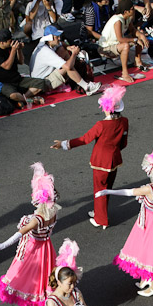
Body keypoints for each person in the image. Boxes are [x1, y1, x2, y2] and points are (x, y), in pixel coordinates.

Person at [96, 130, 153, 297]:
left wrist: (108, 192)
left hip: (151, 221)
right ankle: (147, 278)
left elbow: (128, 192)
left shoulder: (150, 189)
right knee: (151, 249)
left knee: (152, 251)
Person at [0, 162, 60, 306]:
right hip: (46, 248)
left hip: (34, 251)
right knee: (39, 281)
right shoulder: (53, 210)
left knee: (34, 282)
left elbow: (18, 234)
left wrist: (2, 245)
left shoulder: (37, 218)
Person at [51, 84, 128, 229]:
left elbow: (84, 139)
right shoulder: (124, 122)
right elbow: (124, 143)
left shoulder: (101, 125)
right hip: (115, 160)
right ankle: (99, 213)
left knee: (99, 190)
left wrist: (63, 144)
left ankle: (101, 219)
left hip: (100, 161)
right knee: (107, 189)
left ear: (106, 108)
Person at [30, 24, 101, 95]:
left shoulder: (48, 44)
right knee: (67, 66)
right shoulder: (45, 51)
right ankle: (87, 87)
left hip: (44, 76)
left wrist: (69, 47)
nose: (59, 38)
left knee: (62, 50)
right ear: (50, 38)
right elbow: (68, 66)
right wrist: (74, 53)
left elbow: (61, 44)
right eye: (56, 37)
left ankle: (76, 78)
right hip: (42, 83)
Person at [0, 28, 46, 104]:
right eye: (9, 41)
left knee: (40, 83)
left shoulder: (10, 47)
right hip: (3, 82)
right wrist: (13, 51)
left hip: (16, 78)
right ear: (2, 42)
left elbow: (21, 62)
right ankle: (28, 100)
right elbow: (7, 66)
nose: (11, 42)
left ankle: (23, 98)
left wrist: (19, 50)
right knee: (13, 95)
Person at [98, 0, 149, 83]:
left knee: (139, 37)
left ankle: (138, 62)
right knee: (126, 45)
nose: (134, 10)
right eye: (132, 9)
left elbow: (133, 30)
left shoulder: (127, 18)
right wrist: (135, 40)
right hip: (106, 47)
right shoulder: (118, 20)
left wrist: (141, 36)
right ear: (126, 11)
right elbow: (120, 39)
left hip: (116, 44)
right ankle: (124, 73)